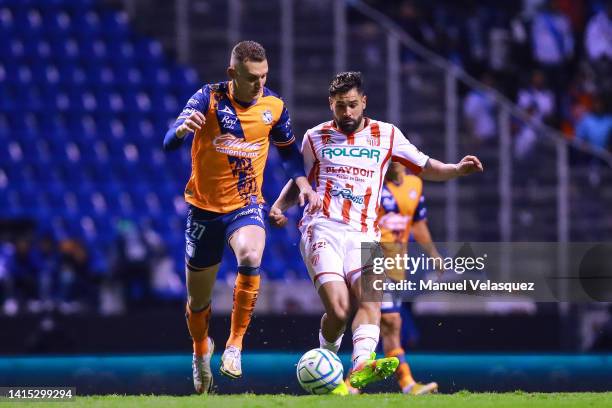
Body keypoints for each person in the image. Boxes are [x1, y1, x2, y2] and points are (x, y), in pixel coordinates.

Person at [270, 72, 483, 395]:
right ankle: (326, 356)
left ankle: (360, 366)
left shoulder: (387, 135)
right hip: (323, 228)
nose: (347, 113)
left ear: (364, 102)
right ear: (331, 105)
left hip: (365, 234)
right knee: (339, 311)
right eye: (340, 106)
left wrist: (456, 169)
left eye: (353, 105)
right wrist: (278, 207)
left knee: (373, 298)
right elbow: (301, 177)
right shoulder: (315, 137)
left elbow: (424, 165)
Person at [163, 40, 320, 394]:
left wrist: (301, 183)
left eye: (264, 76)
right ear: (232, 73)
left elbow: (290, 154)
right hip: (203, 211)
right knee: (198, 303)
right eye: (252, 78)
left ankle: (234, 345)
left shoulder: (274, 107)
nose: (260, 85)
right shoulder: (207, 98)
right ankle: (201, 350)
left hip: (245, 206)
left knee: (251, 254)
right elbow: (167, 142)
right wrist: (182, 131)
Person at [368, 162, 442, 395]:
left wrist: (433, 253)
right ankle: (406, 383)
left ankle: (354, 384)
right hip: (372, 259)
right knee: (389, 321)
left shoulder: (415, 184)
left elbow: (417, 223)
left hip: (397, 266)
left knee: (389, 326)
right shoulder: (374, 184)